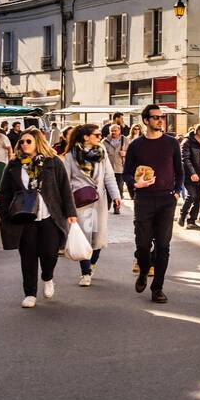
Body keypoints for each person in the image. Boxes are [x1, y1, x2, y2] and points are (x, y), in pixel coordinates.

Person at [0, 128, 78, 308]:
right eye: (22, 142)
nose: (24, 144)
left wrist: (71, 212)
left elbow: (65, 188)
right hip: (24, 218)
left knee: (50, 253)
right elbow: (4, 192)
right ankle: (30, 293)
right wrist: (3, 212)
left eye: (28, 141)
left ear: (37, 143)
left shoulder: (53, 162)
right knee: (28, 256)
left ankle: (48, 277)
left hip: (49, 215)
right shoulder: (14, 165)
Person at [122, 103, 184, 303]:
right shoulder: (135, 145)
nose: (160, 120)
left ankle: (157, 288)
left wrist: (176, 193)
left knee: (163, 246)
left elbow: (179, 170)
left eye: (161, 117)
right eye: (156, 117)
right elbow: (126, 173)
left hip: (167, 199)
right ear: (146, 120)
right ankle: (143, 270)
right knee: (142, 244)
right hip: (144, 200)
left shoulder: (172, 143)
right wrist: (135, 183)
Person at [62, 123, 121, 287]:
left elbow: (109, 176)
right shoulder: (70, 156)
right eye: (96, 135)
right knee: (84, 236)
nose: (99, 137)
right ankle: (85, 272)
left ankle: (92, 263)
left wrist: (116, 195)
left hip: (100, 199)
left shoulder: (102, 153)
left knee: (98, 237)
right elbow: (65, 181)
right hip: (80, 201)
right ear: (86, 137)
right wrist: (67, 204)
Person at [179, 123, 200, 229]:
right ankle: (183, 215)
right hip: (189, 175)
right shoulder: (187, 142)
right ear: (198, 132)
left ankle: (191, 221)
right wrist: (192, 173)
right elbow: (185, 159)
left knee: (199, 198)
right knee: (192, 196)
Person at [103, 123, 127, 213]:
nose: (113, 132)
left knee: (119, 188)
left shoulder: (125, 140)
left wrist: (125, 153)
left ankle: (117, 207)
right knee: (108, 188)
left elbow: (132, 153)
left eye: (115, 130)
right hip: (108, 170)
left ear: (119, 131)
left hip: (120, 169)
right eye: (111, 131)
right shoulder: (104, 141)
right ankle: (107, 206)